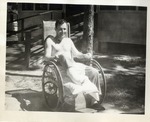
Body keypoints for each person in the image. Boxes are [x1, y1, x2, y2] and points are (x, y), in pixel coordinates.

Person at [44, 19, 104, 110]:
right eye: (60, 29)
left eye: (64, 29)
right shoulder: (50, 40)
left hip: (74, 66)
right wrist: (54, 57)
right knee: (76, 79)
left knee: (94, 72)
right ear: (55, 29)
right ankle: (80, 93)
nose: (63, 31)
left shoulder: (68, 41)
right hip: (59, 68)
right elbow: (46, 57)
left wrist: (85, 56)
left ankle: (94, 101)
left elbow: (77, 54)